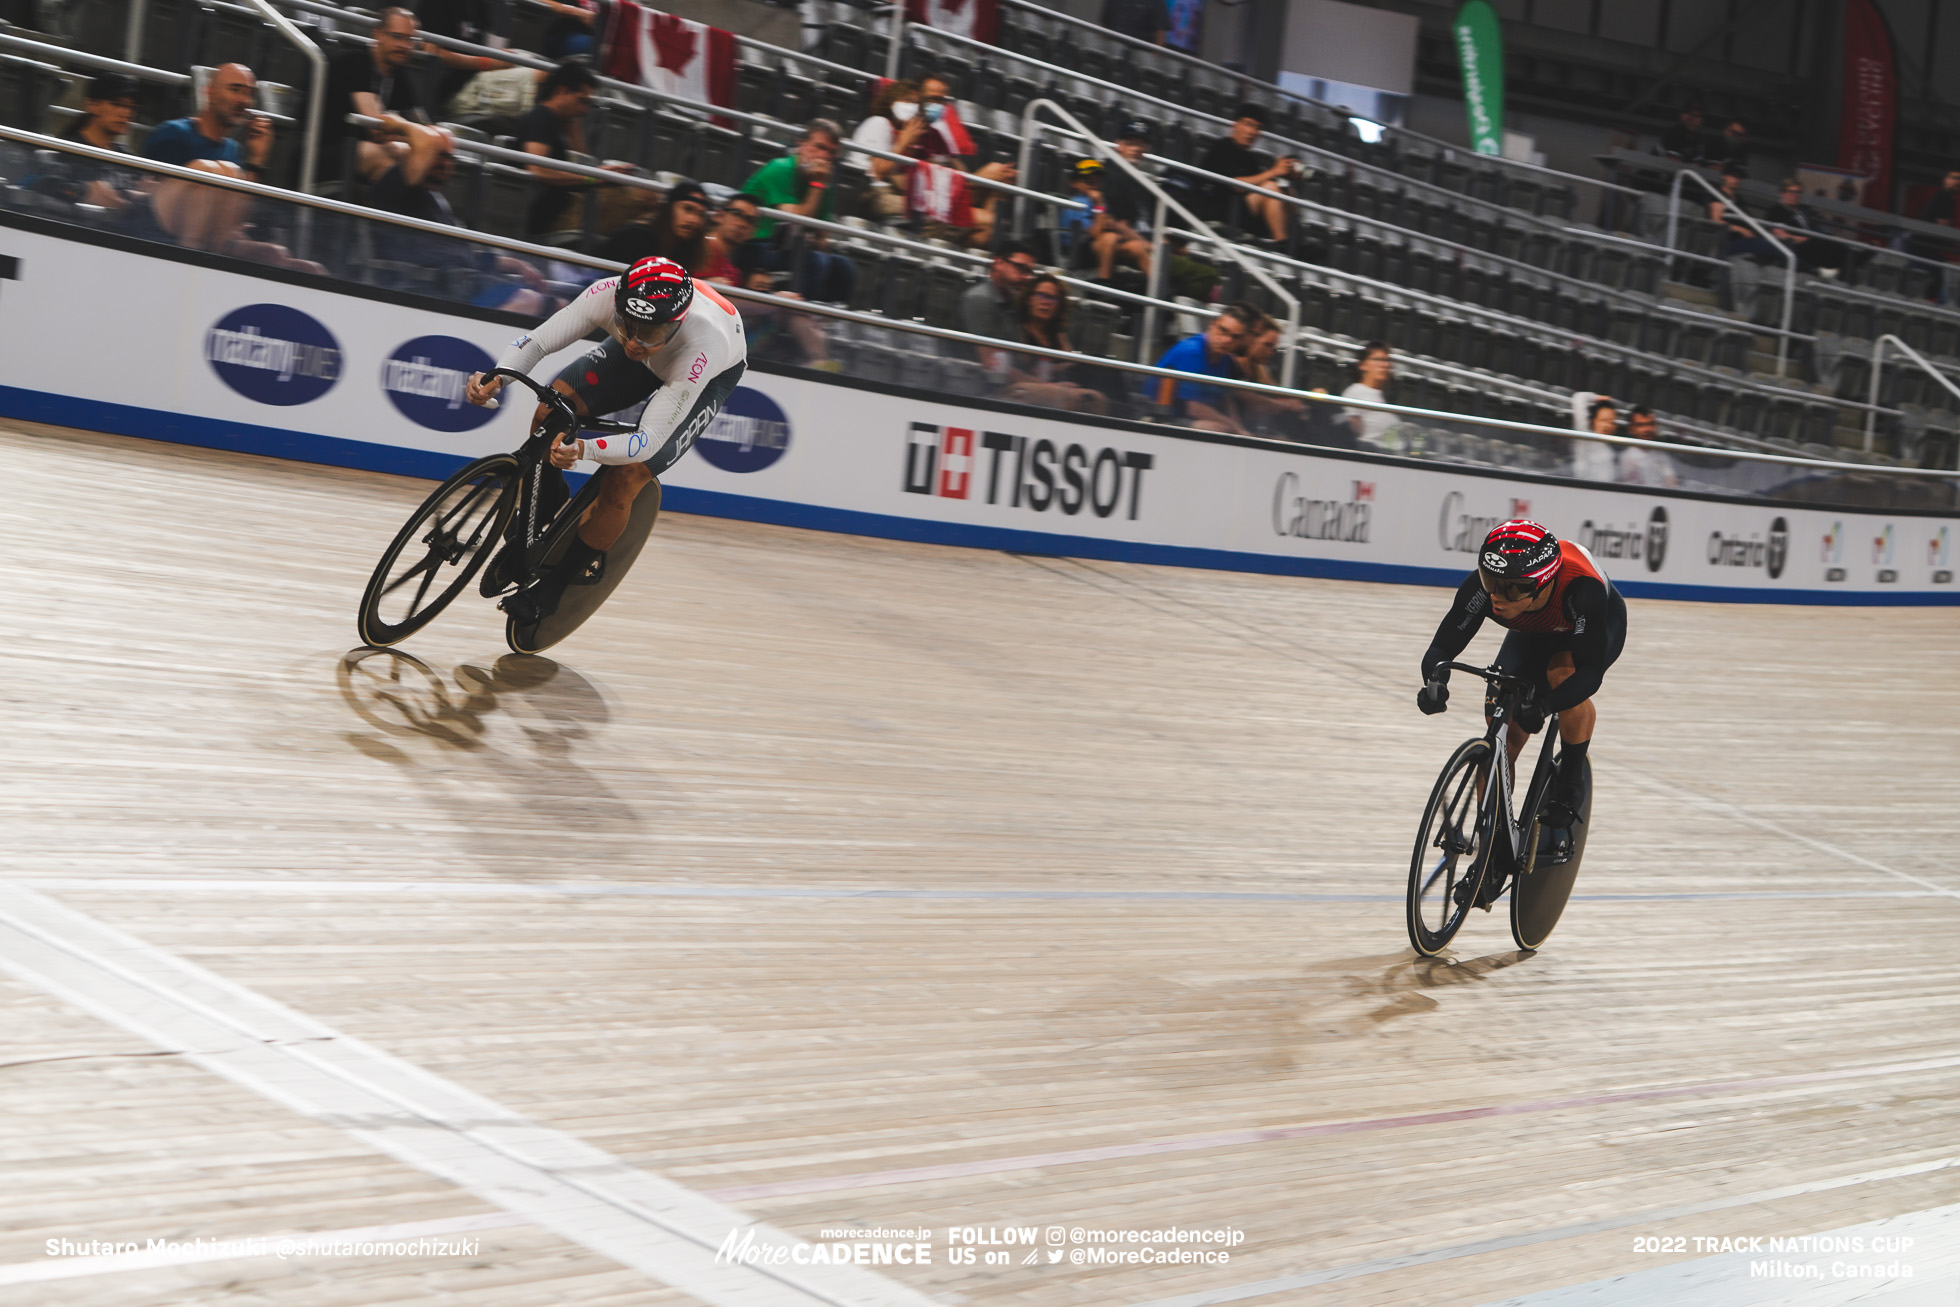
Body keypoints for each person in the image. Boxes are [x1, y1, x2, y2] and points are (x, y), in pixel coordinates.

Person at [464, 256, 747, 628]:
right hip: (663, 350)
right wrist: (498, 377)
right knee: (552, 412)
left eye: (650, 332)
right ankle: (548, 496)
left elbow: (647, 442)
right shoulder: (608, 295)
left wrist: (582, 449)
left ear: (674, 323)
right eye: (627, 326)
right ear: (619, 305)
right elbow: (537, 341)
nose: (635, 342)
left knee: (627, 475)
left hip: (704, 373)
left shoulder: (703, 345)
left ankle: (555, 588)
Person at [1417, 520, 1627, 886]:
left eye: (1512, 589)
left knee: (1563, 677)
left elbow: (1589, 675)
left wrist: (1545, 705)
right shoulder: (1490, 590)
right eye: (1490, 581)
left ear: (1542, 583)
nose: (1497, 596)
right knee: (1503, 731)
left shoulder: (1582, 589)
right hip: (1531, 631)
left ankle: (1570, 781)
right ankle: (1493, 848)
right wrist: (1436, 680)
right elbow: (1443, 644)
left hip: (1592, 628)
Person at [366, 115, 561, 314]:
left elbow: (461, 255)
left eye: (449, 157)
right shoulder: (396, 183)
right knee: (537, 304)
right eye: (438, 154)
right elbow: (425, 141)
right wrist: (401, 125)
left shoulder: (435, 200)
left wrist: (517, 264)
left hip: (461, 284)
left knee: (562, 304)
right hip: (431, 289)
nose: (445, 163)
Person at [141, 62, 323, 273]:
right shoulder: (174, 133)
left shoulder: (233, 150)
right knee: (209, 171)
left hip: (216, 240)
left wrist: (256, 158)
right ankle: (191, 269)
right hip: (163, 232)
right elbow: (154, 198)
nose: (243, 100)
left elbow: (238, 215)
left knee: (297, 263)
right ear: (209, 92)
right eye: (235, 89)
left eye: (249, 94)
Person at [701, 192, 832, 368]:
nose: (742, 224)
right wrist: (775, 301)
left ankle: (819, 365)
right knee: (784, 310)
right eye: (737, 214)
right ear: (719, 215)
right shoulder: (702, 249)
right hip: (703, 340)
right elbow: (718, 302)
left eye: (750, 220)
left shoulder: (732, 268)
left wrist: (780, 302)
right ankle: (817, 366)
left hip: (722, 337)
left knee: (790, 311)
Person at [515, 60, 631, 237]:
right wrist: (595, 177)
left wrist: (573, 122)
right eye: (581, 101)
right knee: (644, 198)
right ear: (561, 91)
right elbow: (538, 170)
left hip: (565, 206)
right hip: (553, 217)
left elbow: (582, 158)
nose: (585, 110)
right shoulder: (541, 118)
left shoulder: (558, 122)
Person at [745, 120, 855, 303]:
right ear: (801, 145)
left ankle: (822, 321)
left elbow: (822, 237)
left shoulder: (824, 182)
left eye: (831, 152)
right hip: (754, 244)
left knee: (844, 267)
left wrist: (816, 240)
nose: (825, 156)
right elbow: (797, 218)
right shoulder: (780, 169)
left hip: (790, 247)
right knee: (815, 262)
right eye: (819, 147)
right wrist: (818, 184)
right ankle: (793, 317)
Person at [321, 7, 422, 186]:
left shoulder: (400, 76)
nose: (405, 46)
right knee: (390, 156)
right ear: (378, 35)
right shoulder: (354, 62)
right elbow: (376, 128)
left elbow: (422, 126)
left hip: (361, 153)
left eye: (410, 40)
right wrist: (413, 137)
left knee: (422, 159)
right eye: (397, 37)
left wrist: (414, 137)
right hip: (324, 152)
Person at [1000, 274, 1107, 414]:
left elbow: (1068, 364)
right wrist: (1050, 383)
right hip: (1022, 386)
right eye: (1041, 295)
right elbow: (1008, 370)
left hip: (1058, 387)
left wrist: (1060, 369)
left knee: (1096, 398)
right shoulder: (1017, 329)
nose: (1046, 302)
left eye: (1053, 298)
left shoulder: (1058, 335)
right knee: (1066, 396)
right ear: (1028, 299)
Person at [1198, 104, 1296, 245]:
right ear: (1235, 125)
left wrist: (1284, 178)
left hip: (1241, 213)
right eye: (1248, 124)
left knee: (1289, 193)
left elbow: (1257, 185)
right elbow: (1236, 185)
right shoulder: (1222, 147)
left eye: (1258, 128)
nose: (1252, 131)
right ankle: (1282, 243)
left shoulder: (1251, 159)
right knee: (1271, 188)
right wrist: (1273, 172)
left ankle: (1285, 242)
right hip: (1218, 209)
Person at [1153, 303, 1255, 433]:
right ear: (1212, 325)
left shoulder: (1225, 359)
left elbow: (1226, 399)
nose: (1227, 340)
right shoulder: (1191, 351)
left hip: (1185, 418)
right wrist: (1236, 428)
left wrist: (1237, 423)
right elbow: (1194, 408)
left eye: (1235, 337)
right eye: (1223, 330)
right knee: (1217, 428)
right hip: (1163, 418)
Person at [57, 73, 142, 210]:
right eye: (117, 104)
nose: (126, 113)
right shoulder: (69, 152)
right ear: (91, 105)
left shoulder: (127, 156)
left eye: (132, 107)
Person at [848, 79, 925, 217]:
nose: (911, 107)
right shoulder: (879, 123)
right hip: (867, 191)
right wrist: (903, 142)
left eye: (915, 104)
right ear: (891, 102)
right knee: (924, 211)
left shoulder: (897, 133)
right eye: (907, 100)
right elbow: (878, 171)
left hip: (885, 190)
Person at [596, 177, 710, 268]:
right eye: (688, 209)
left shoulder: (684, 252)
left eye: (700, 214)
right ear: (668, 209)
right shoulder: (635, 238)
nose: (694, 220)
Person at [416, 0, 511, 108]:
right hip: (454, 90)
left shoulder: (482, 5)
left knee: (526, 59)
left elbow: (488, 46)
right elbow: (429, 52)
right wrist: (485, 63)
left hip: (480, 79)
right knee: (531, 76)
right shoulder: (437, 4)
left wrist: (499, 58)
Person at [1233, 318, 1309, 438]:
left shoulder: (1260, 368)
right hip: (1233, 427)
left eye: (1273, 348)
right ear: (1252, 339)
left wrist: (1295, 401)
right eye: (1267, 345)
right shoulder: (1234, 363)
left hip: (1249, 428)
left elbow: (1276, 392)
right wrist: (1285, 405)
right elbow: (1251, 401)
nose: (1270, 352)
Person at [1762, 177, 1846, 276]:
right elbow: (1781, 235)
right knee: (1823, 243)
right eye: (1792, 192)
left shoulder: (1802, 211)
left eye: (1798, 192)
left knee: (1832, 239)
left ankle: (1849, 261)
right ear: (1782, 193)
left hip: (1810, 240)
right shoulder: (1776, 211)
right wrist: (1805, 239)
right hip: (1797, 245)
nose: (1795, 195)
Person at [1341, 341, 1395, 447]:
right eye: (1378, 360)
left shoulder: (1385, 396)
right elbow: (1351, 433)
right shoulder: (1355, 392)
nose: (1384, 365)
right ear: (1363, 365)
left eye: (1387, 360)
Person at [1616, 405, 1679, 488]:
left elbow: (1672, 483)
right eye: (1641, 425)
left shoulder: (1661, 454)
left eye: (1650, 424)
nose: (1647, 429)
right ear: (1631, 429)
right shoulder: (1627, 459)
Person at [1099, 0, 1171, 45]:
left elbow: (1160, 32)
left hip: (1140, 54)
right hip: (1112, 47)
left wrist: (1155, 59)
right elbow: (1105, 24)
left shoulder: (1156, 2)